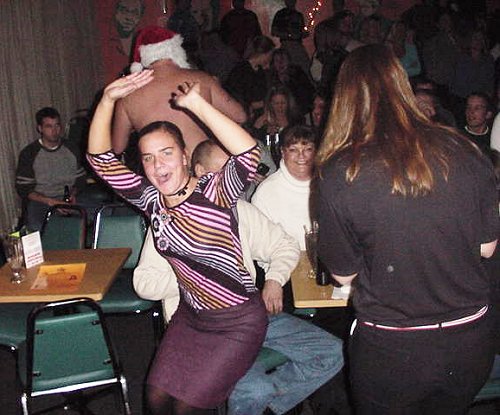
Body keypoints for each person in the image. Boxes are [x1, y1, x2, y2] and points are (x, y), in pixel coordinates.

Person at [316, 44, 498, 414]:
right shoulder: (462, 147)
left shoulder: (340, 171)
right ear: (402, 85)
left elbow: (343, 274)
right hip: (469, 341)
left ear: (344, 98)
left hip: (394, 350)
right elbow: (487, 248)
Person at [87, 70, 267, 413]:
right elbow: (100, 161)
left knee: (185, 408)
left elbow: (248, 153)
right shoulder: (150, 200)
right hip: (191, 317)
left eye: (167, 153)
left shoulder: (214, 191)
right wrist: (108, 100)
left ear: (185, 156)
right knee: (155, 399)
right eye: (148, 158)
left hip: (238, 321)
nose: (158, 166)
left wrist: (198, 105)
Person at [134, 139, 344, 415]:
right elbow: (143, 283)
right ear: (200, 171)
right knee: (253, 389)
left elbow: (284, 245)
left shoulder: (239, 209)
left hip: (250, 317)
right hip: (201, 329)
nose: (234, 180)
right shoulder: (169, 218)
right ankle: (254, 400)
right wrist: (195, 276)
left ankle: (269, 404)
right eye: (225, 171)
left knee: (332, 351)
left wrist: (274, 279)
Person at [111, 26, 247, 161]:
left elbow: (117, 147)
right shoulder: (202, 79)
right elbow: (240, 116)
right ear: (177, 50)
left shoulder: (128, 94)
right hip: (203, 165)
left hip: (161, 169)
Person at [15, 107, 87, 231]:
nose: (54, 131)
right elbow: (24, 189)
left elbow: (80, 179)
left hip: (68, 197)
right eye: (49, 126)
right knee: (36, 225)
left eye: (57, 125)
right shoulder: (30, 153)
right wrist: (52, 202)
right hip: (42, 200)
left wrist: (73, 194)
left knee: (99, 213)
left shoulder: (71, 148)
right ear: (40, 128)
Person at [252, 125, 316, 250]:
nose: (301, 156)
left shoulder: (326, 184)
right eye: (293, 150)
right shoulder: (265, 193)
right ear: (282, 152)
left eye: (308, 149)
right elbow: (260, 246)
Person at [224, 35, 275, 122]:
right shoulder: (240, 71)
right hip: (244, 116)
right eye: (270, 55)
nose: (270, 58)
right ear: (264, 54)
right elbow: (237, 96)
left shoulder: (260, 71)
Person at [271, 0, 310, 77]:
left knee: (305, 67)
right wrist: (290, 35)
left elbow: (301, 31)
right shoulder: (280, 14)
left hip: (297, 45)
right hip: (287, 45)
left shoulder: (298, 15)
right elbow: (274, 31)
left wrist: (303, 34)